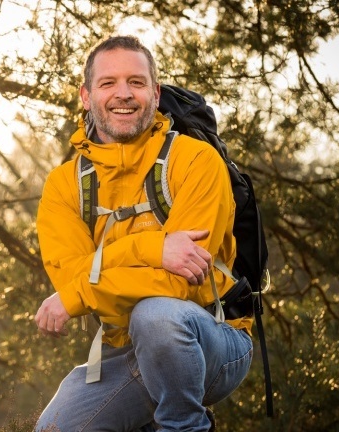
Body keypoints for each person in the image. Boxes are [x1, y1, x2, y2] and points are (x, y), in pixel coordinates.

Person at [33, 35, 254, 431]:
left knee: (157, 315)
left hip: (214, 339)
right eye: (108, 83)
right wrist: (154, 247)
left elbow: (178, 284)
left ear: (155, 93)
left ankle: (184, 426)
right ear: (86, 96)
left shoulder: (196, 161)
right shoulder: (64, 185)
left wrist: (83, 291)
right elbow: (73, 277)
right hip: (125, 351)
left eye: (136, 82)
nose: (124, 94)